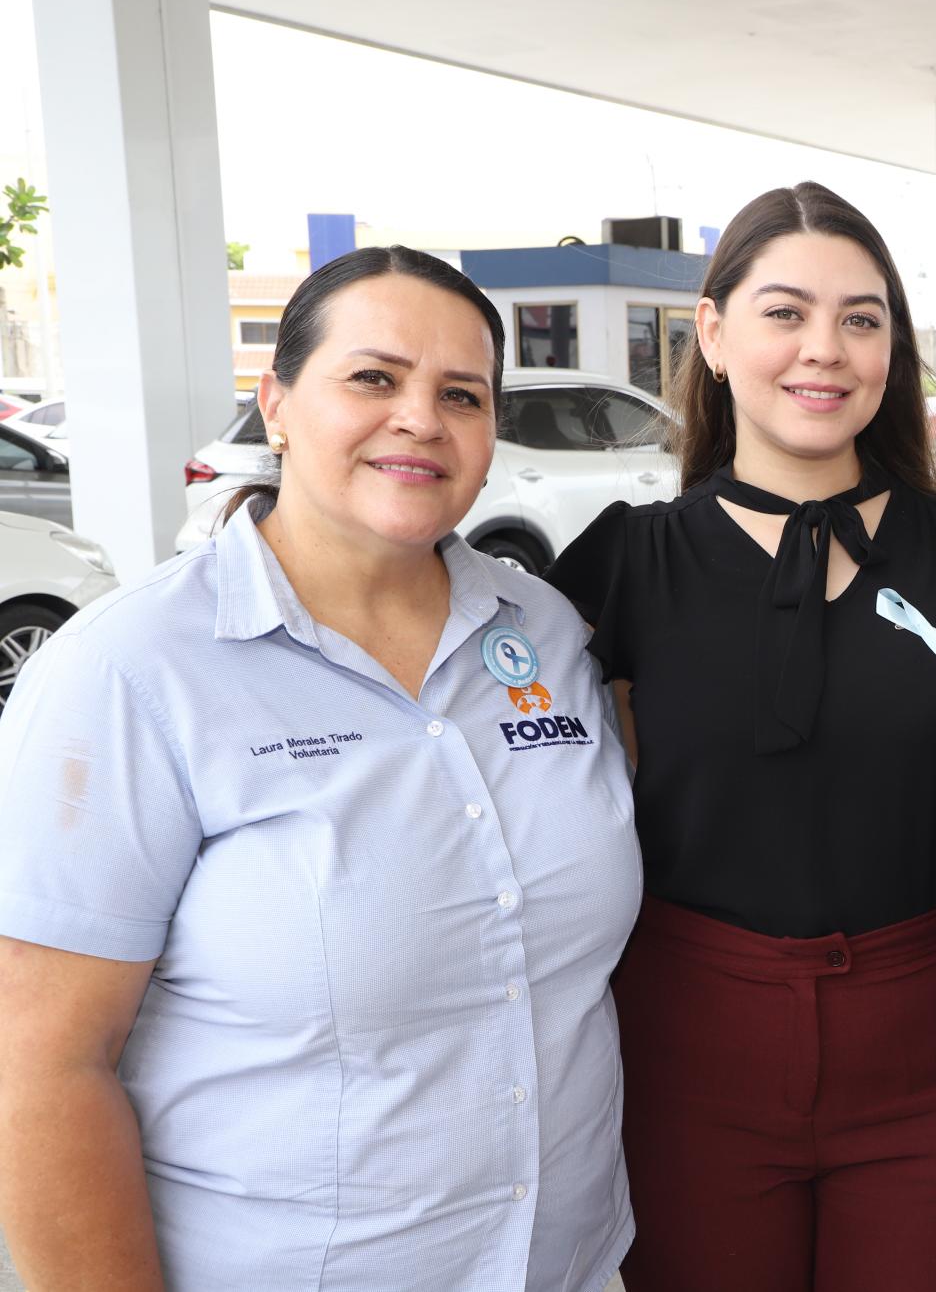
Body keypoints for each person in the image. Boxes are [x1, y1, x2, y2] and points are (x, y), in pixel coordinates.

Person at [0, 246, 643, 1290]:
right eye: (373, 378)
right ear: (279, 404)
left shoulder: (546, 633)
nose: (420, 419)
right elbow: (39, 1068)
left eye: (461, 394)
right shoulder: (132, 672)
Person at [544, 182, 936, 1291]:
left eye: (861, 319)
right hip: (690, 1052)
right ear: (713, 335)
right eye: (784, 312)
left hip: (922, 1056)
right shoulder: (627, 563)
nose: (825, 348)